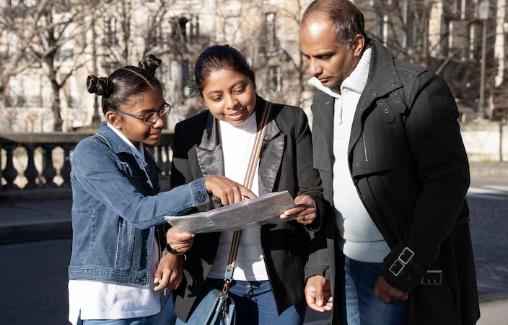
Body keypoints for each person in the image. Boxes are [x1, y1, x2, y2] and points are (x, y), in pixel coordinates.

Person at [300, 1, 480, 325]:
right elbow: (324, 185)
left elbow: (447, 185)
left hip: (394, 274)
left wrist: (401, 270)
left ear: (355, 44)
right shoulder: (323, 100)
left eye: (324, 56)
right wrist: (320, 266)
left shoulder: (417, 88)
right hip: (344, 266)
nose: (313, 68)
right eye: (307, 57)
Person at [67, 54, 256, 325]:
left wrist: (172, 252)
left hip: (148, 296)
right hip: (106, 300)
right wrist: (205, 184)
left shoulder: (142, 156)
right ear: (114, 118)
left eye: (161, 110)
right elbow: (139, 211)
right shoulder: (92, 151)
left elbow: (156, 222)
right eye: (147, 116)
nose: (159, 122)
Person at [164, 45, 326, 325]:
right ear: (203, 99)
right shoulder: (188, 132)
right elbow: (178, 206)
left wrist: (310, 205)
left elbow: (314, 190)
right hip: (207, 281)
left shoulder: (289, 120)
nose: (231, 103)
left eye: (239, 89)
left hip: (277, 282)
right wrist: (173, 245)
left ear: (252, 79)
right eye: (216, 97)